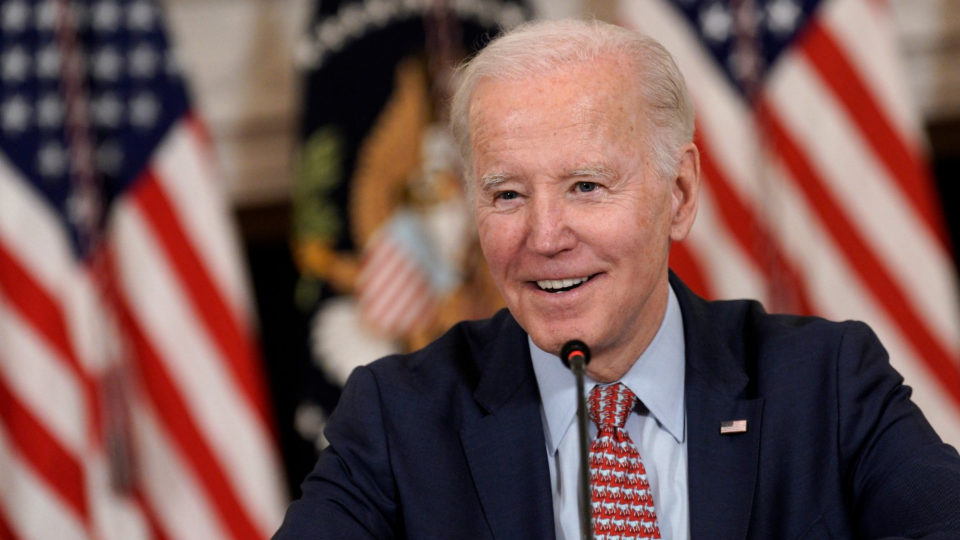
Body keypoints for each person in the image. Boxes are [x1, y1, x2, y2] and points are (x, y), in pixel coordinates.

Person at [273, 18, 960, 540]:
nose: (544, 237)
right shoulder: (400, 419)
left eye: (586, 186)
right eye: (508, 195)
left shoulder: (825, 386)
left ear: (681, 195)